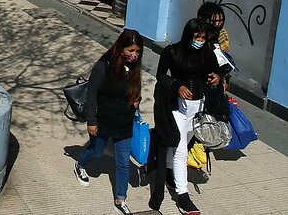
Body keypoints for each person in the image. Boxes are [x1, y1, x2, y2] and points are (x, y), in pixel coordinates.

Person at [152, 18, 224, 215]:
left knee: (179, 144)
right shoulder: (172, 52)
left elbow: (216, 71)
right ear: (188, 35)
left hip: (198, 109)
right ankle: (183, 197)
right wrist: (177, 86)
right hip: (177, 109)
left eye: (203, 37)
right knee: (181, 151)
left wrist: (217, 77)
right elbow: (161, 75)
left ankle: (169, 173)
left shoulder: (207, 53)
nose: (200, 41)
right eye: (197, 37)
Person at [73, 29, 144, 215]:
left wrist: (137, 100)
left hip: (124, 122)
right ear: (121, 48)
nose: (134, 55)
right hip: (103, 120)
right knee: (96, 151)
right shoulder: (103, 66)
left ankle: (120, 199)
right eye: (131, 51)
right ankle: (80, 164)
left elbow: (135, 90)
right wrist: (91, 121)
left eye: (137, 51)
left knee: (123, 163)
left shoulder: (135, 68)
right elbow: (91, 95)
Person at [197, 2, 232, 91]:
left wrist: (223, 79)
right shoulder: (195, 32)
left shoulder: (222, 34)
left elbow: (225, 59)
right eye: (213, 21)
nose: (217, 25)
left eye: (220, 21)